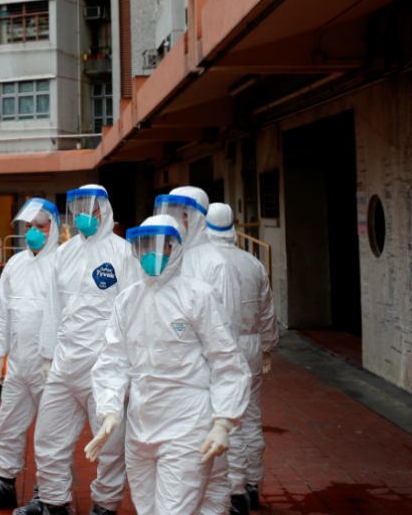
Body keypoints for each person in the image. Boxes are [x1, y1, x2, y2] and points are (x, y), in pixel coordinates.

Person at [84, 215, 250, 515]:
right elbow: (112, 360)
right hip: (140, 426)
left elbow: (226, 361)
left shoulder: (198, 296)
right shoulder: (127, 300)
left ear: (175, 248)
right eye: (144, 246)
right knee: (147, 509)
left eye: (158, 246)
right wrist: (109, 411)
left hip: (187, 425)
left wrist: (224, 421)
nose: (150, 254)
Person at [15, 184, 141, 515]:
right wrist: (47, 357)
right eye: (79, 208)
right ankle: (55, 503)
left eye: (91, 208)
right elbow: (53, 311)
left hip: (105, 370)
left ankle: (105, 505)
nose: (85, 215)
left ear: (104, 209)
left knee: (111, 446)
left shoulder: (123, 253)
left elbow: (136, 314)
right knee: (47, 440)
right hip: (65, 366)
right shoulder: (65, 254)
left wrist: (130, 371)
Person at [154, 186, 242, 515]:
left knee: (214, 473)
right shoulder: (170, 258)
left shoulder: (215, 264)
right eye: (172, 210)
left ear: (199, 218)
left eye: (184, 213)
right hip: (172, 386)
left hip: (202, 387)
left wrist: (221, 408)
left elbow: (225, 340)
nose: (177, 219)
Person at [0, 198, 61, 511]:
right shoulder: (16, 264)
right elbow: (0, 310)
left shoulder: (62, 263)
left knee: (51, 433)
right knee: (8, 426)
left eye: (40, 226)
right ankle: (4, 484)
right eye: (29, 227)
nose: (34, 232)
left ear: (54, 228)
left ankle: (49, 493)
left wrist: (58, 360)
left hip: (50, 367)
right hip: (20, 365)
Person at [206, 203, 278, 511]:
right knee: (250, 417)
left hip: (222, 348)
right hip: (251, 346)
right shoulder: (253, 262)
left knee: (226, 418)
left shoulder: (206, 263)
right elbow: (267, 311)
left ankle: (234, 492)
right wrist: (266, 348)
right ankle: (252, 484)